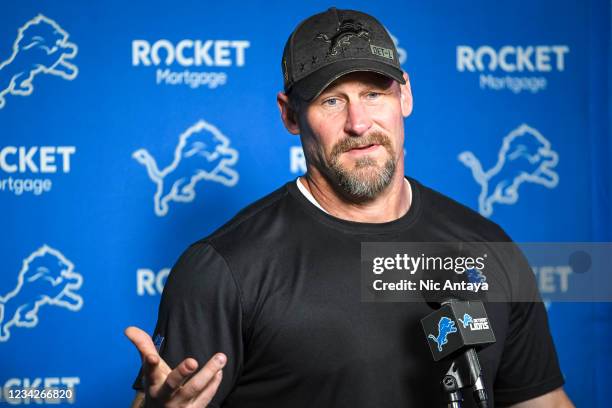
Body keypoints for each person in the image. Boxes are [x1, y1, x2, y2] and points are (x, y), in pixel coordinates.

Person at [126, 7, 574, 408]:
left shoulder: (486, 246)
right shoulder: (223, 269)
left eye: (374, 94)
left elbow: (541, 400)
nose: (359, 124)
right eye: (332, 100)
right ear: (289, 114)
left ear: (405, 95)